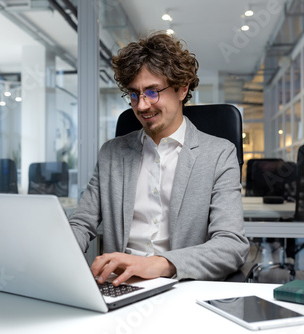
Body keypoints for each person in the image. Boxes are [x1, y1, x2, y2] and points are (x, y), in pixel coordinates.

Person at [69, 32, 249, 286]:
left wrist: (159, 264)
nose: (141, 106)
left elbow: (231, 245)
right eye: (134, 94)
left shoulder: (219, 154)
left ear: (182, 88)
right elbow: (81, 224)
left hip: (181, 286)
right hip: (119, 286)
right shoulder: (112, 153)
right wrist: (53, 254)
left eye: (152, 92)